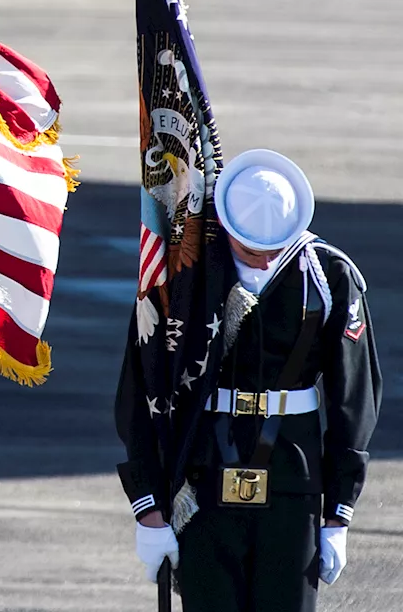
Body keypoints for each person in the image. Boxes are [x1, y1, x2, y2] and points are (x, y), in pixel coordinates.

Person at [118, 149, 382, 611]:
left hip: (291, 478)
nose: (263, 263)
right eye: (250, 250)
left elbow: (354, 398)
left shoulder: (329, 276)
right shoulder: (184, 276)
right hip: (201, 479)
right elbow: (142, 387)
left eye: (273, 251)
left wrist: (340, 511)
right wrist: (149, 508)